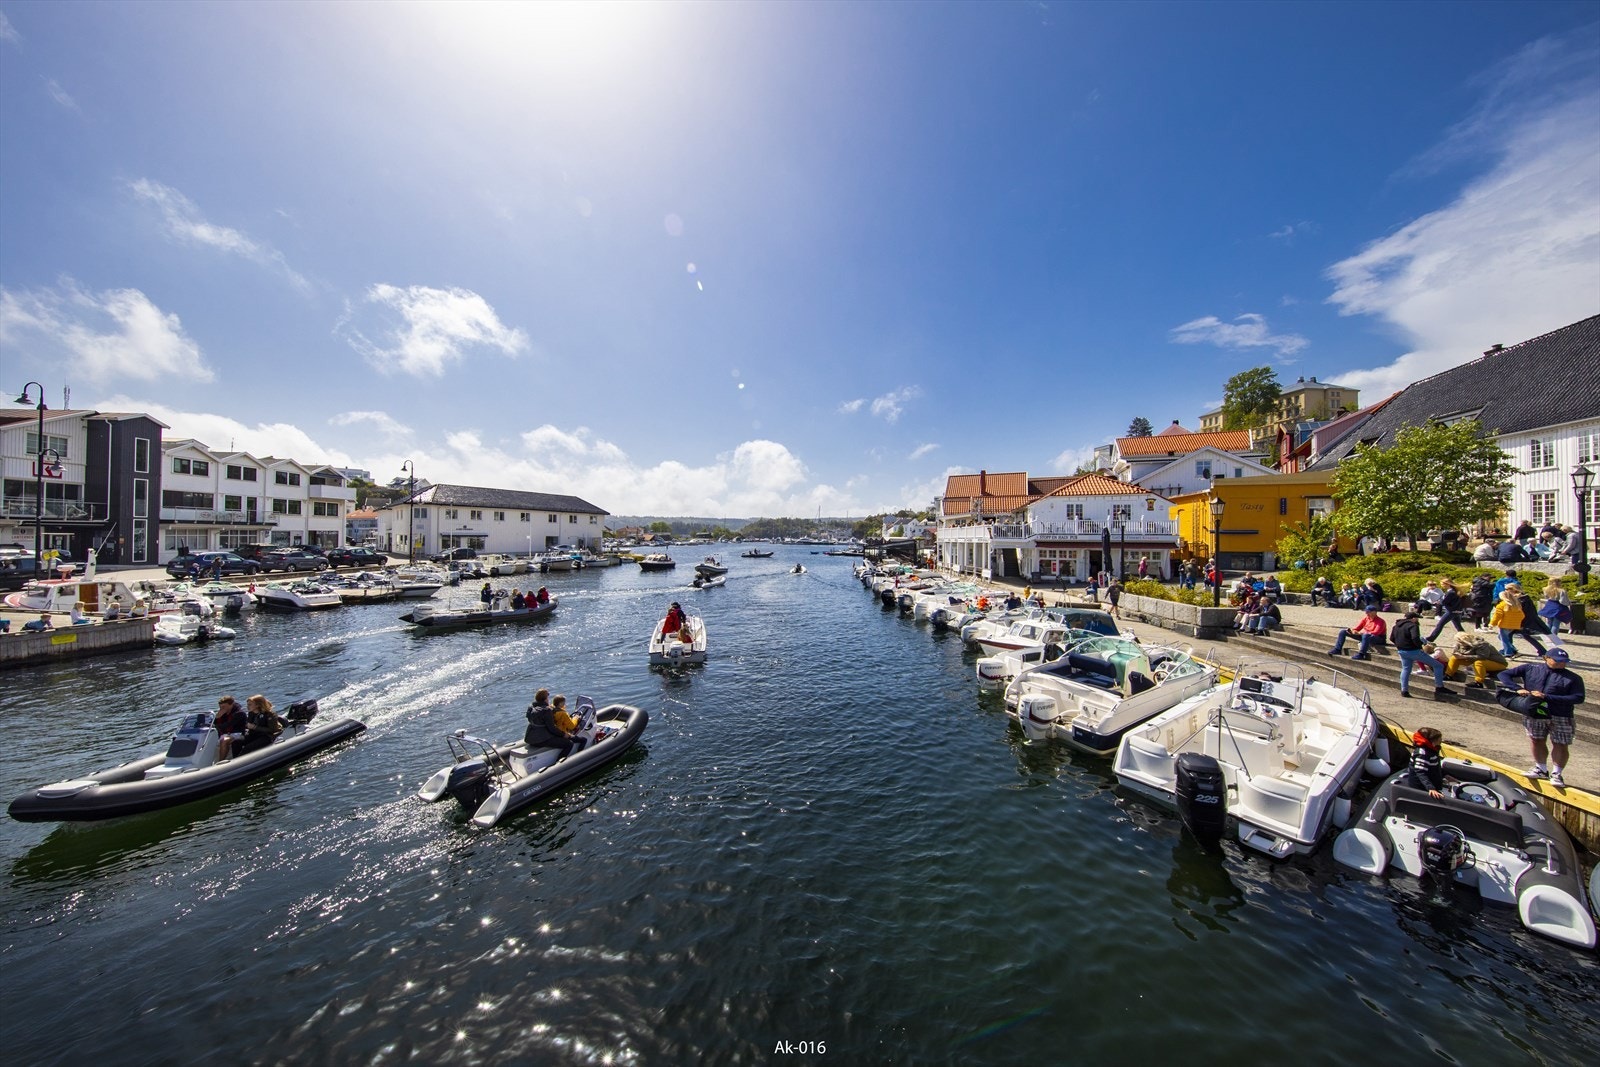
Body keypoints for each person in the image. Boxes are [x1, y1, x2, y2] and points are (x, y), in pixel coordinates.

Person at [1498, 648, 1585, 786]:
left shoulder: (1573, 678)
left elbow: (1578, 697)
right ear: (1546, 658)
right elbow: (1504, 674)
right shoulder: (1530, 668)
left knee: (1561, 744)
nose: (1562, 664)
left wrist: (1547, 697)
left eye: (1565, 661)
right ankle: (1541, 768)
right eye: (1558, 661)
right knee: (1536, 739)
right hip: (1535, 713)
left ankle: (1557, 773)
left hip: (1561, 714)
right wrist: (1516, 688)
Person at [1392, 609, 1451, 699]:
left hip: (1401, 651)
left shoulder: (1396, 626)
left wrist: (1399, 645)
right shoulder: (1413, 626)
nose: (1418, 620)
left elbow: (1392, 638)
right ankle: (1439, 686)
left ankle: (1404, 690)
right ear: (1413, 618)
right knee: (1438, 666)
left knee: (1406, 669)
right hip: (1414, 651)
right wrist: (1420, 646)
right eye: (1417, 618)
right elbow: (1415, 637)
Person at [523, 687, 574, 758]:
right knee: (569, 744)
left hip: (529, 737)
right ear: (545, 699)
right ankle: (559, 762)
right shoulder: (546, 710)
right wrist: (564, 734)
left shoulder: (531, 708)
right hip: (541, 739)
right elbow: (552, 728)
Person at [1404, 727, 1448, 798]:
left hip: (1431, 782)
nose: (1440, 740)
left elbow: (1434, 766)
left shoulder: (1432, 750)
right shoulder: (1422, 754)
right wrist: (1431, 788)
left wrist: (1445, 775)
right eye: (1439, 739)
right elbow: (1420, 772)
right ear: (1432, 740)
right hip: (1420, 786)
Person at [1489, 587, 1532, 658]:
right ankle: (1511, 649)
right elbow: (1522, 615)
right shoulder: (1516, 605)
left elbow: (1497, 616)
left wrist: (1492, 624)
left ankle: (1508, 653)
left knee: (1504, 639)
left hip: (1504, 625)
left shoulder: (1501, 605)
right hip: (1513, 626)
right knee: (1503, 637)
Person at [1537, 579, 1571, 647]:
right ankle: (1553, 638)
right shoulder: (1561, 591)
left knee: (1549, 622)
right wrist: (1569, 603)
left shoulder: (1546, 589)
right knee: (1556, 623)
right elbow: (1563, 601)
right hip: (1558, 606)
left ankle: (1547, 636)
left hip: (1550, 605)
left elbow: (1546, 597)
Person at [214, 695, 248, 761]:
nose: (221, 709)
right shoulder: (223, 713)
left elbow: (226, 725)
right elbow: (215, 725)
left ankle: (220, 761)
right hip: (226, 734)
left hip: (238, 734)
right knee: (220, 741)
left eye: (223, 707)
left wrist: (218, 718)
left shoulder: (239, 713)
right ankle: (215, 761)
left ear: (231, 704)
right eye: (220, 707)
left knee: (224, 740)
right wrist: (217, 719)